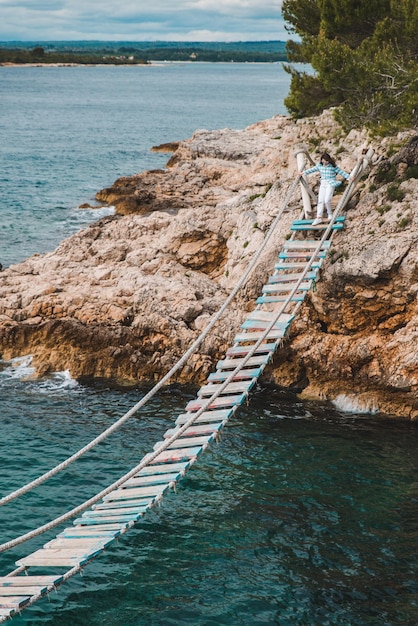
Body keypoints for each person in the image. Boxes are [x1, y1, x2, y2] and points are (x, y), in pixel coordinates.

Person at [299, 152, 352, 225]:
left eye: (326, 160)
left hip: (330, 183)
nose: (324, 162)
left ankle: (330, 213)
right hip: (323, 184)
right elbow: (312, 170)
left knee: (327, 200)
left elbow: (341, 172)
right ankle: (318, 217)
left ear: (328, 160)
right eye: (323, 160)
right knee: (320, 201)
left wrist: (349, 177)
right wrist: (303, 173)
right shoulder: (320, 166)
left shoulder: (333, 167)